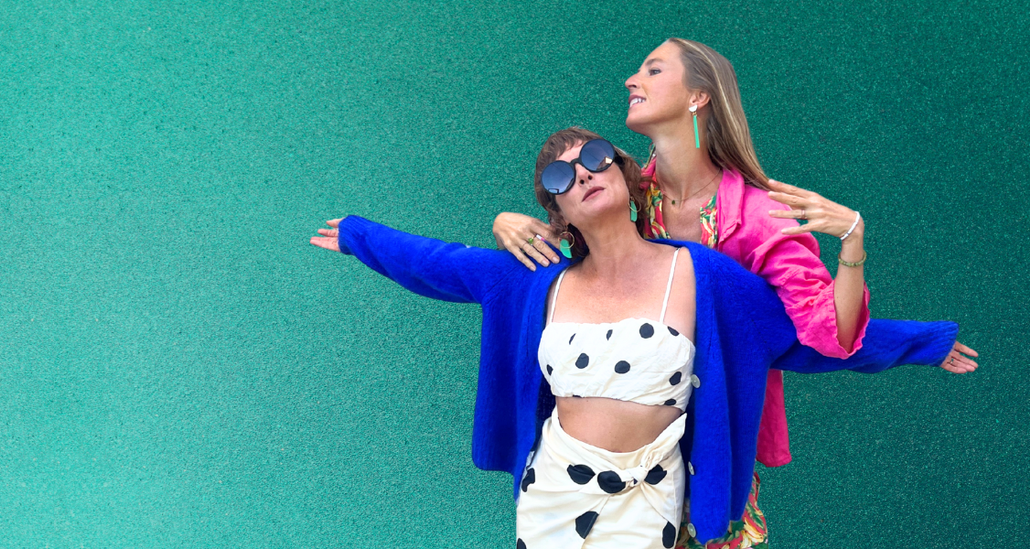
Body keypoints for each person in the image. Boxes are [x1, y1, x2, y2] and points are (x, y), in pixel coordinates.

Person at [309, 128, 967, 548]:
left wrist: (922, 343)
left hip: (649, 502)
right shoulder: (532, 277)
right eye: (562, 176)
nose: (584, 173)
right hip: (554, 500)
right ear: (556, 208)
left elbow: (803, 335)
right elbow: (437, 263)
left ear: (624, 174)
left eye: (594, 157)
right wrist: (360, 237)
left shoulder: (702, 276)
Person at [487, 39, 976, 546]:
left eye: (653, 70)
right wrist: (506, 224)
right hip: (605, 458)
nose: (632, 81)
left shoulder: (762, 217)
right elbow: (584, 275)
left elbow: (819, 335)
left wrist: (855, 242)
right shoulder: (628, 192)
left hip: (713, 442)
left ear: (699, 96)